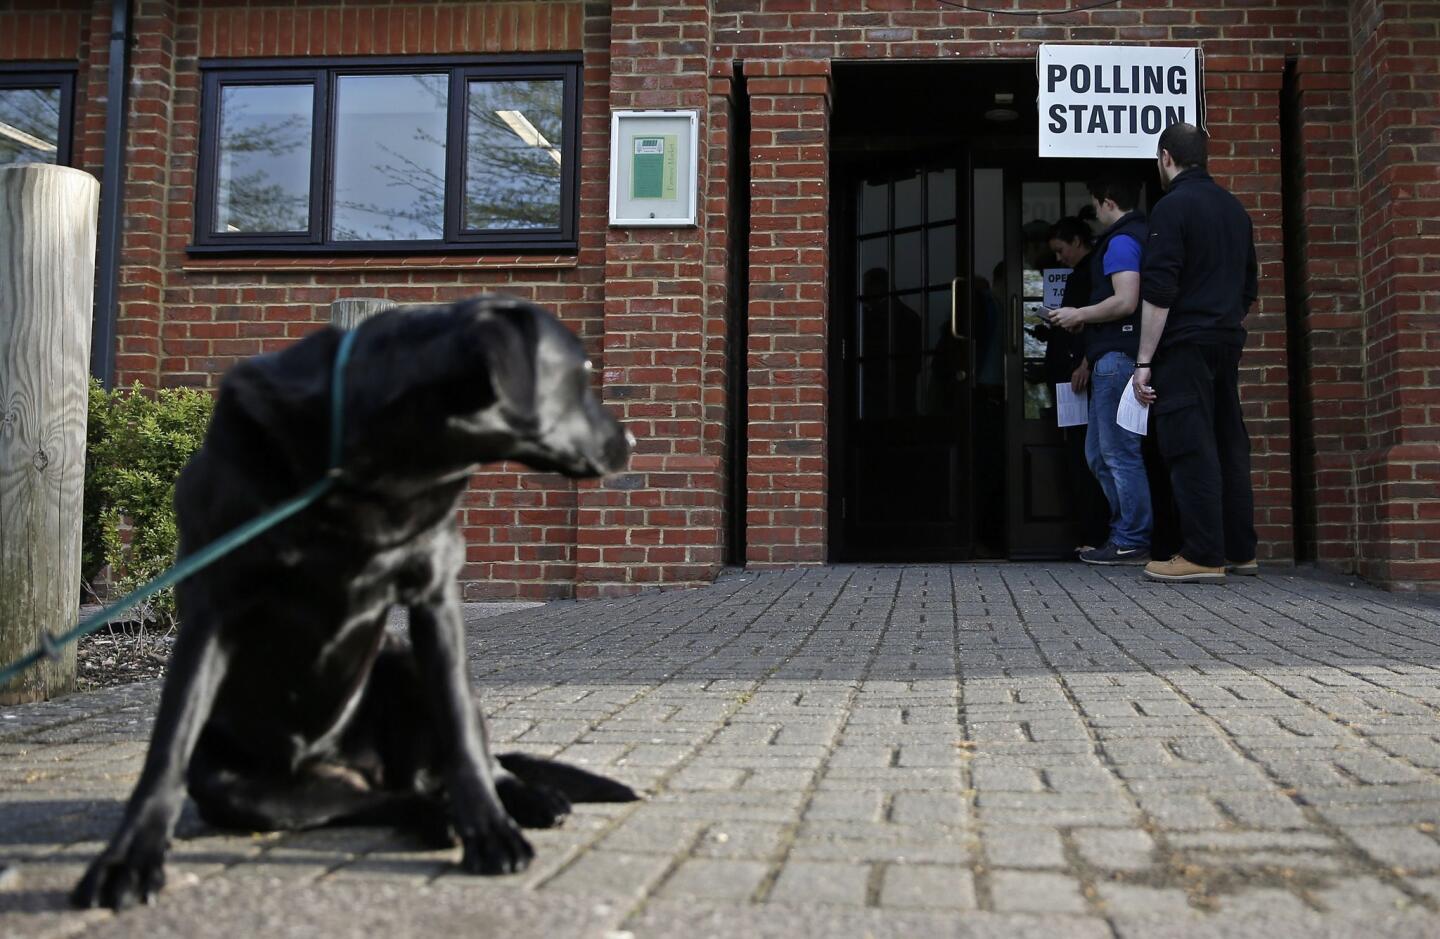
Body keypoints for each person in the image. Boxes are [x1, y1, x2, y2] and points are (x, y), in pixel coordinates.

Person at [1132, 123, 1259, 584]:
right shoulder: (1235, 210)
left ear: (1166, 158)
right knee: (1229, 442)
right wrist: (1223, 320)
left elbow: (1160, 289)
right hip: (1227, 340)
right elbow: (1249, 287)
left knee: (1190, 444)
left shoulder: (1172, 208)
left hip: (1185, 344)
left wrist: (1144, 361)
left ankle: (1204, 555)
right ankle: (1240, 551)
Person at [1048, 177, 1152, 565]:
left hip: (1116, 359)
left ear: (1107, 202)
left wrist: (1080, 314)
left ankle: (1132, 538)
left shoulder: (1122, 241)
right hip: (1109, 356)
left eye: (1095, 205)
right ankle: (1124, 533)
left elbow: (1125, 300)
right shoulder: (1135, 235)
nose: (1094, 213)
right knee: (1098, 453)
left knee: (1118, 452)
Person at [1042, 216, 1109, 552]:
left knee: (1087, 454)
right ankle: (1092, 532)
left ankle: (1095, 533)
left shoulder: (1090, 274)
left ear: (1078, 241)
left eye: (1061, 249)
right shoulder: (1084, 273)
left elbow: (1094, 323)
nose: (1059, 258)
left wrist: (1085, 362)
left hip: (1078, 375)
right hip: (1073, 373)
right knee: (1084, 452)